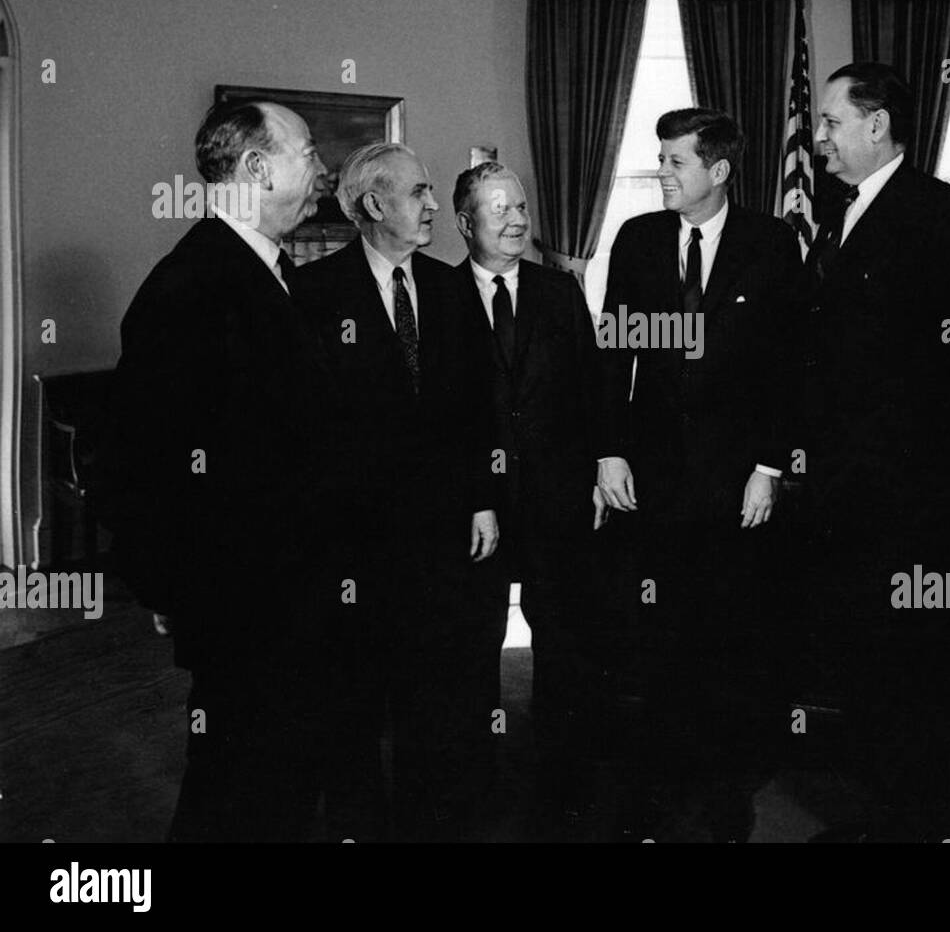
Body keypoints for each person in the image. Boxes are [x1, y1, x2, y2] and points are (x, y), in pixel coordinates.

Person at [97, 99, 346, 841]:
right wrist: (182, 591)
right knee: (238, 796)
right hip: (247, 607)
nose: (320, 169)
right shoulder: (194, 285)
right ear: (257, 167)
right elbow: (136, 462)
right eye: (307, 153)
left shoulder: (265, 271)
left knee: (273, 789)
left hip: (284, 597)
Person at [803, 62, 950, 840]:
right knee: (864, 659)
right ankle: (881, 811)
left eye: (830, 121)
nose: (818, 137)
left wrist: (917, 463)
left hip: (912, 502)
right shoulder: (837, 211)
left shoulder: (943, 216)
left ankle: (920, 820)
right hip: (846, 498)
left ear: (877, 124)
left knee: (917, 664)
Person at [598, 107, 802, 842]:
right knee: (657, 626)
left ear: (717, 171)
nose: (663, 173)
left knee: (731, 630)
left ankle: (730, 779)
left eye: (676, 161)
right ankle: (662, 773)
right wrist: (609, 449)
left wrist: (768, 466)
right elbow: (615, 350)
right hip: (652, 477)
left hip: (734, 483)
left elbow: (789, 367)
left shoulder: (770, 243)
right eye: (661, 159)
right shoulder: (638, 240)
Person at [294, 141, 500, 841]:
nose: (434, 205)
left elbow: (480, 405)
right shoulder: (314, 295)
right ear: (375, 204)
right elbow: (304, 428)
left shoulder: (448, 288)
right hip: (353, 543)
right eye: (419, 193)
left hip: (441, 538)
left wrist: (480, 497)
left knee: (432, 696)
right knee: (352, 695)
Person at [452, 161, 607, 826]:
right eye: (499, 210)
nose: (517, 219)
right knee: (472, 638)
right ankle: (474, 771)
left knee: (564, 639)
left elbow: (594, 387)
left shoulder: (560, 290)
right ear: (465, 223)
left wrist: (604, 463)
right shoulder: (437, 296)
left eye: (520, 206)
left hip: (557, 495)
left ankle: (564, 778)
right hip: (477, 502)